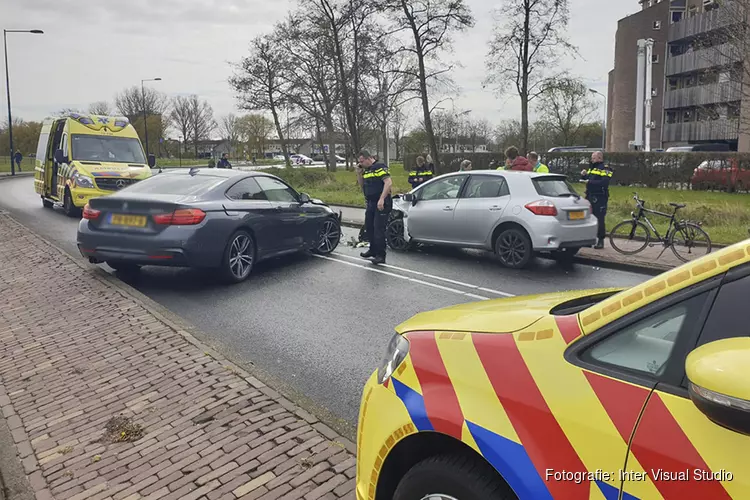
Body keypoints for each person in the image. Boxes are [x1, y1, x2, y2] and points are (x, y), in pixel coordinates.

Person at [356, 149, 392, 265]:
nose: (361, 163)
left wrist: (382, 198)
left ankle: (381, 255)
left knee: (378, 229)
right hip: (371, 202)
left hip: (381, 202)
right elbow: (362, 186)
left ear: (368, 158)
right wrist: (359, 173)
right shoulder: (366, 170)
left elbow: (388, 182)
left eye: (362, 161)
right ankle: (372, 250)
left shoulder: (379, 167)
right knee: (369, 227)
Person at [581, 151, 613, 249]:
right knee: (589, 217)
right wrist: (584, 175)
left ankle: (601, 240)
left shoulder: (605, 168)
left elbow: (604, 182)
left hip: (600, 197)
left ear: (599, 158)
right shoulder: (592, 168)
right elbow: (590, 178)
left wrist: (589, 181)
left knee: (599, 219)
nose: (592, 160)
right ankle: (589, 240)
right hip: (590, 195)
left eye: (594, 158)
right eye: (592, 158)